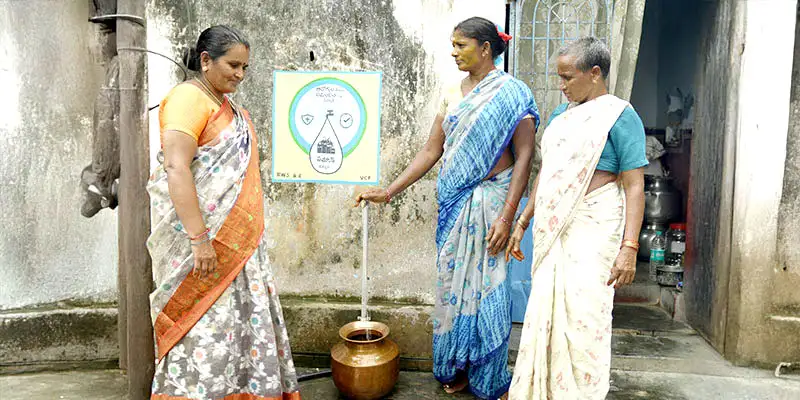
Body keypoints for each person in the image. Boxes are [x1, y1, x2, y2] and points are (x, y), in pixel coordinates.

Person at [356, 17, 539, 400]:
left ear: (485, 48)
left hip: (493, 202)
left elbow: (524, 158)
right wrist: (389, 191)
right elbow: (430, 150)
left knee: (491, 288)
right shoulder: (451, 93)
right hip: (455, 204)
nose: (454, 52)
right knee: (451, 288)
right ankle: (454, 366)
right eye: (453, 45)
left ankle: (489, 375)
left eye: (461, 45)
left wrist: (508, 217)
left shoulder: (513, 94)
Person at [146, 25, 300, 400]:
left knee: (239, 320)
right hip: (200, 243)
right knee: (203, 324)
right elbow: (177, 169)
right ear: (205, 60)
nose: (240, 75)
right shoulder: (188, 98)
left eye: (245, 67)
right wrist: (200, 241)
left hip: (239, 243)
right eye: (233, 65)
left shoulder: (226, 105)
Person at [507, 37, 647, 399]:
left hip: (594, 227)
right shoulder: (561, 115)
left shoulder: (620, 115)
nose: (562, 85)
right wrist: (522, 221)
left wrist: (629, 247)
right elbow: (547, 173)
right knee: (546, 313)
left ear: (595, 73)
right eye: (560, 77)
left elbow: (634, 186)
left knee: (586, 319)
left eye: (568, 77)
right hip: (553, 228)